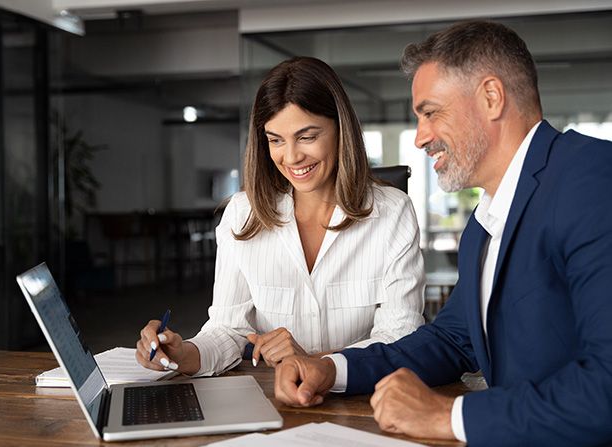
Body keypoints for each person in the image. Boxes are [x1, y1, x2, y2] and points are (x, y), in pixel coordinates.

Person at [273, 21, 612, 447]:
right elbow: (453, 341)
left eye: (431, 112)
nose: (420, 138)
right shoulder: (484, 223)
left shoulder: (594, 178)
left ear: (491, 97)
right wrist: (331, 369)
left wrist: (451, 416)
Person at [135, 57, 425, 377]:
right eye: (275, 140)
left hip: (365, 398)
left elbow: (400, 338)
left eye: (307, 136)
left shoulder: (393, 212)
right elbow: (229, 330)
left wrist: (317, 361)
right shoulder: (242, 215)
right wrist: (183, 353)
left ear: (341, 130)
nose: (291, 157)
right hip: (280, 399)